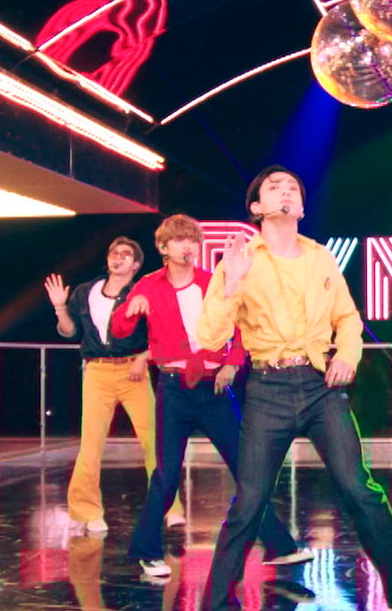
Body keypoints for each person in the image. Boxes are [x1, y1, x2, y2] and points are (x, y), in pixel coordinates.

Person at [193, 166, 392, 611]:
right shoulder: (240, 260)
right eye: (273, 187)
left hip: (320, 384)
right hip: (268, 387)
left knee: (358, 486)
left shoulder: (320, 257)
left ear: (301, 205)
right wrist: (230, 285)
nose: (286, 191)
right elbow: (210, 337)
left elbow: (348, 317)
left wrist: (348, 355)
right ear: (256, 208)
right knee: (250, 500)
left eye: (293, 188)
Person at [110, 214, 306, 580]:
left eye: (192, 240)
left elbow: (239, 323)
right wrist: (130, 310)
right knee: (167, 474)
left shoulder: (212, 281)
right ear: (163, 247)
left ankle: (279, 547)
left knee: (247, 469)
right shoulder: (149, 285)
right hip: (174, 388)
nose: (187, 246)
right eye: (179, 240)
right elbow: (119, 329)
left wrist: (232, 363)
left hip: (214, 387)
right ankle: (147, 551)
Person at [44, 237, 163, 536]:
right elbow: (70, 331)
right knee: (91, 445)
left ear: (136, 264)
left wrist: (144, 358)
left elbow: (163, 334)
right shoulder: (86, 291)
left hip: (133, 372)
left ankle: (168, 506)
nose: (118, 257)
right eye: (114, 252)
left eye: (126, 254)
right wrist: (59, 307)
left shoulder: (143, 293)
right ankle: (88, 512)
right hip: (97, 372)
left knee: (154, 440)